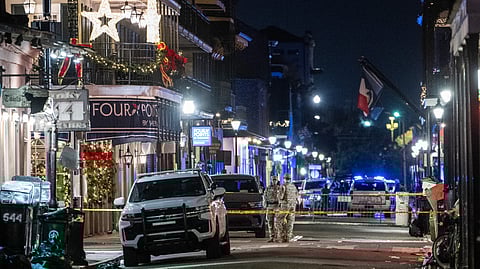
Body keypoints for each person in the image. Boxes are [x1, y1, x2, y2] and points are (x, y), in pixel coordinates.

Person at [276, 173, 299, 242]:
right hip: (292, 206)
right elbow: (297, 196)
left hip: (285, 205)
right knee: (290, 221)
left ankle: (282, 236)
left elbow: (280, 196)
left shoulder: (283, 186)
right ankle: (288, 236)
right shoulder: (293, 186)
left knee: (279, 220)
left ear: (284, 179)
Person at [264, 175, 280, 242]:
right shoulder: (268, 188)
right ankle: (271, 236)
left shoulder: (280, 188)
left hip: (276, 207)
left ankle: (277, 237)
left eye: (275, 180)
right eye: (273, 180)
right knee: (270, 222)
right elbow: (265, 196)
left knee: (276, 223)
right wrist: (265, 205)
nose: (274, 181)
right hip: (270, 206)